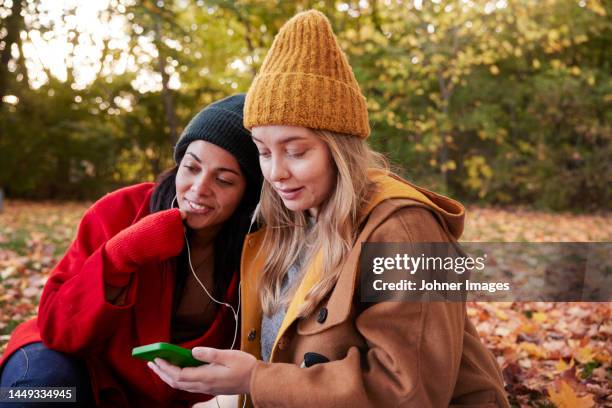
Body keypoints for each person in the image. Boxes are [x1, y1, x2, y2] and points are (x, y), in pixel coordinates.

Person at [148, 11, 510, 407]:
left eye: (296, 151)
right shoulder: (287, 223)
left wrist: (256, 380)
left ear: (339, 148)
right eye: (264, 152)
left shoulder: (406, 229)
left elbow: (410, 392)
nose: (277, 172)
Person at [0, 94, 263, 407]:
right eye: (191, 168)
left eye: (223, 180)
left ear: (248, 193)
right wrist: (120, 254)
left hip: (169, 391)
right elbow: (59, 330)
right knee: (36, 396)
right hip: (79, 366)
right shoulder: (119, 210)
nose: (199, 187)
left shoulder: (258, 245)